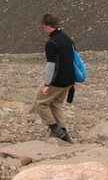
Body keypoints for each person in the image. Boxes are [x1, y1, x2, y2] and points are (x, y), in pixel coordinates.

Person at [33, 14, 75, 143]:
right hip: (69, 79)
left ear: (46, 26)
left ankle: (54, 128)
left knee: (40, 102)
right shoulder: (67, 38)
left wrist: (47, 84)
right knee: (56, 104)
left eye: (43, 27)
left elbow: (51, 65)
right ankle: (64, 134)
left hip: (57, 80)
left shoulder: (52, 43)